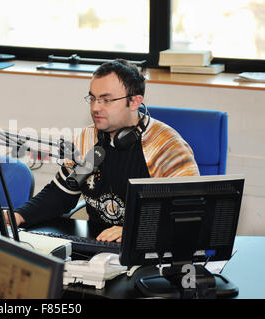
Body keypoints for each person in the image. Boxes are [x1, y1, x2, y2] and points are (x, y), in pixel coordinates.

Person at [11, 59, 199, 243]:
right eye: (92, 98)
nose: (95, 108)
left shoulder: (166, 146)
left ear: (134, 102)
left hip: (150, 249)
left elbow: (188, 214)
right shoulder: (87, 138)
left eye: (106, 100)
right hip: (100, 246)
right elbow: (61, 194)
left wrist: (134, 230)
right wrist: (18, 215)